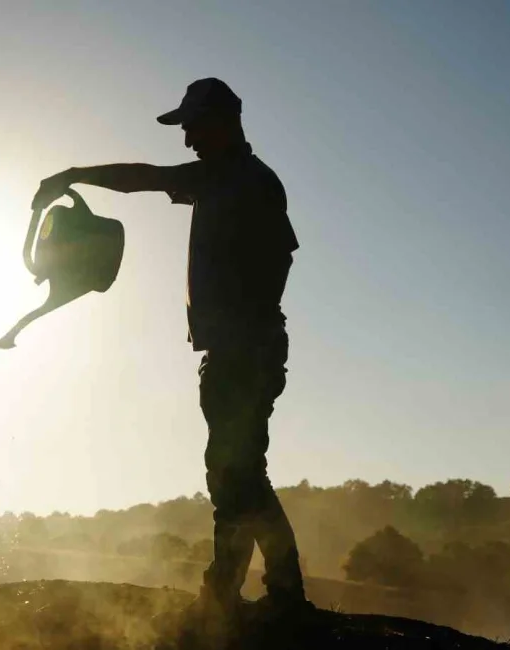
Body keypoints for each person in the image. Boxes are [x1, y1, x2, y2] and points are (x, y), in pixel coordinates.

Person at [31, 78, 309, 620]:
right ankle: (271, 595)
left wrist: (74, 174)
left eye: (192, 127)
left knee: (234, 473)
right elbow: (153, 181)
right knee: (241, 472)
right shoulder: (231, 178)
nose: (187, 141)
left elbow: (150, 181)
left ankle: (240, 598)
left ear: (223, 120)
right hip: (241, 348)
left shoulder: (241, 178)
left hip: (244, 350)